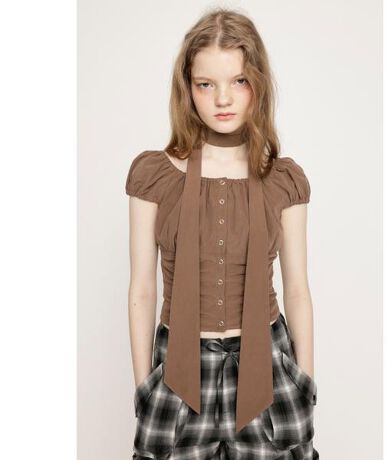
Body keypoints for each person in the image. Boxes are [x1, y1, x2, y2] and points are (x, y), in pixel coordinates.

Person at [125, 8, 319, 460]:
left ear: (259, 84)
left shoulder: (283, 179)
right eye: (206, 84)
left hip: (268, 368)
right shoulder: (154, 175)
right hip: (178, 369)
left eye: (239, 81)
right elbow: (141, 288)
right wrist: (144, 386)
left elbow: (297, 289)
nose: (223, 98)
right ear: (187, 88)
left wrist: (304, 381)